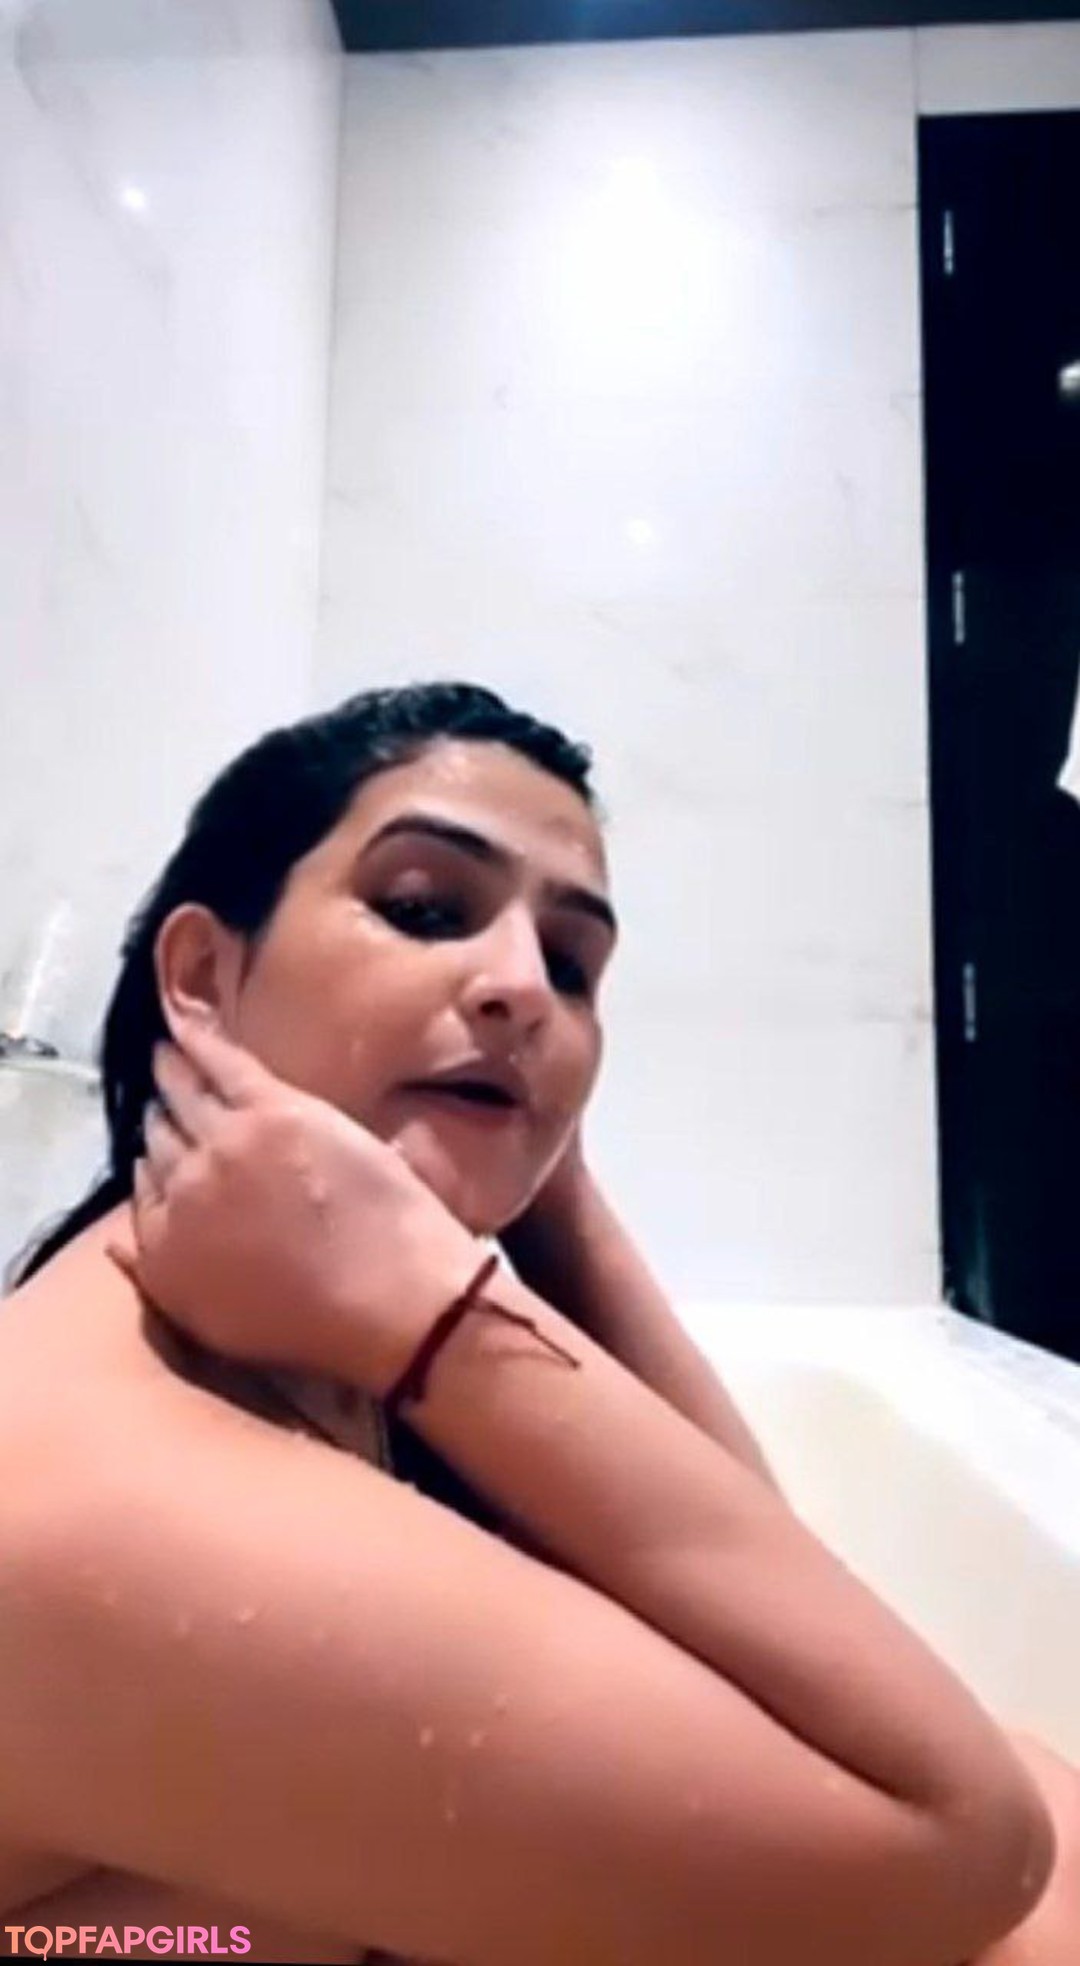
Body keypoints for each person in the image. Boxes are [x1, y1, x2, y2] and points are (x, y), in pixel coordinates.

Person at [0, 680, 1073, 1966]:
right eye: (423, 908)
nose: (522, 988)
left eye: (571, 967)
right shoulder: (114, 1480)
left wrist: (551, 1200)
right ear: (201, 979)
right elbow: (958, 1849)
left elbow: (775, 1620)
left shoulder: (298, 1327)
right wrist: (445, 1322)